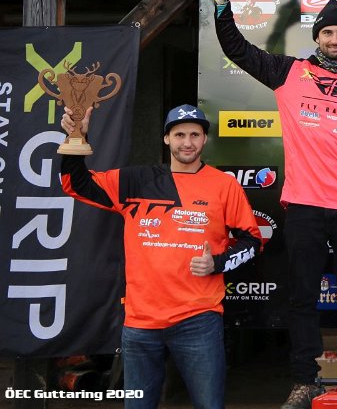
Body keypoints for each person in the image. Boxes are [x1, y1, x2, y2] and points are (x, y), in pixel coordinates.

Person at [212, 0, 337, 409]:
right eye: (327, 33)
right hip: (303, 203)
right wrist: (221, 5)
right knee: (302, 296)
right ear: (317, 37)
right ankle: (304, 382)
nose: (335, 39)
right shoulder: (289, 72)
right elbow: (236, 49)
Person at [59, 104, 262, 409]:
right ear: (166, 139)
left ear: (204, 139)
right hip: (141, 321)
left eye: (195, 135)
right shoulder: (136, 180)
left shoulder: (224, 184)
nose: (187, 142)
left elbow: (252, 241)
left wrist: (217, 263)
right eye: (179, 135)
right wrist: (76, 136)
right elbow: (75, 184)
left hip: (198, 318)